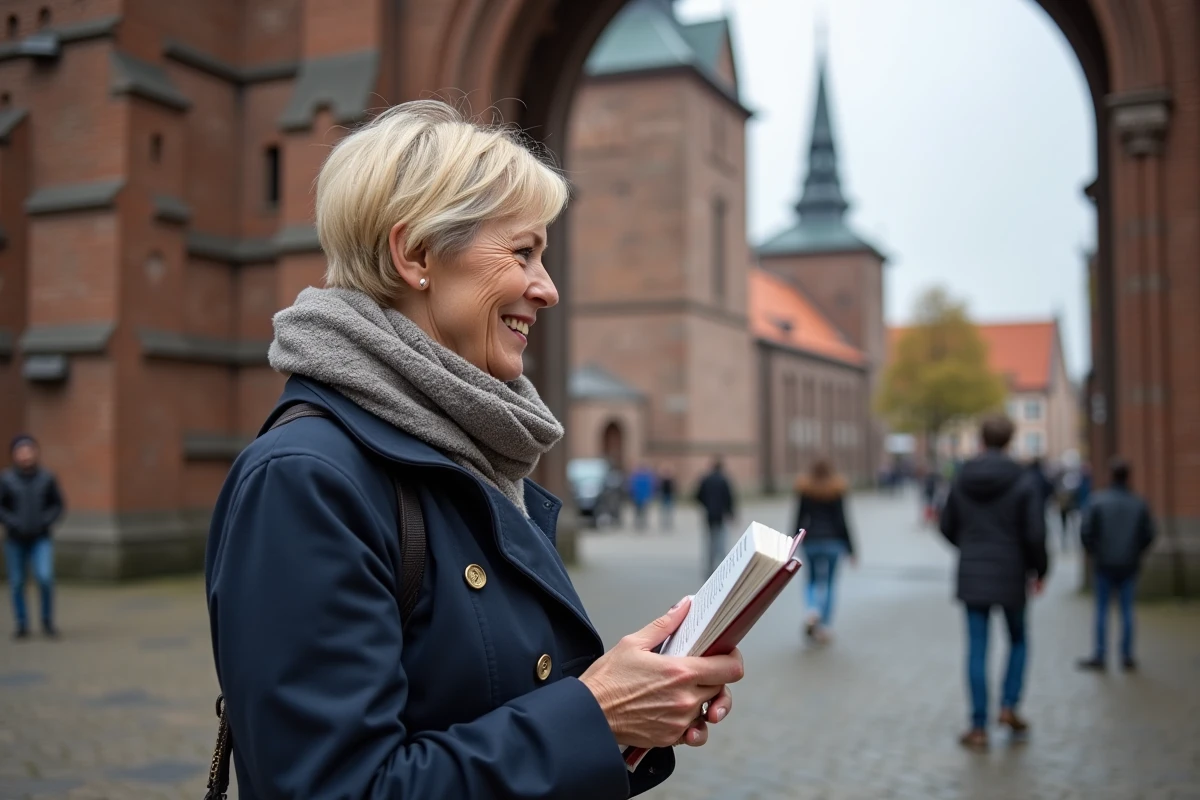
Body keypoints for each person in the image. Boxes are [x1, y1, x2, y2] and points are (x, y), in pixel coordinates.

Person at [205, 101, 744, 800]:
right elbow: (336, 788)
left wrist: (634, 706)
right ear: (417, 255)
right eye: (522, 252)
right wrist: (596, 715)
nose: (547, 289)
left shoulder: (473, 450)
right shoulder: (305, 480)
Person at [940, 414, 1047, 752]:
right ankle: (1009, 705)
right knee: (1017, 639)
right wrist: (1039, 570)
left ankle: (977, 725)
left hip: (972, 573)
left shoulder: (962, 477)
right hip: (1012, 573)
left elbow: (945, 524)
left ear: (982, 440)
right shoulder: (1024, 480)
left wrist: (968, 548)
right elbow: (1035, 532)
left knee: (977, 647)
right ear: (1011, 440)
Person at [1077, 457, 1155, 672]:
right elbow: (1148, 534)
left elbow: (1086, 532)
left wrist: (1095, 552)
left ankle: (1100, 655)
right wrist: (1135, 552)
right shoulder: (1138, 502)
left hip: (1104, 563)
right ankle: (1127, 655)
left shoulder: (1097, 500)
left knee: (1102, 609)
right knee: (1127, 609)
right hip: (1129, 563)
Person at [0, 435, 64, 639]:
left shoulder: (47, 477)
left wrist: (46, 521)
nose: (25, 454)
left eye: (29, 449)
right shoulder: (6, 479)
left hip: (40, 538)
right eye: (21, 450)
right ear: (14, 454)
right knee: (17, 582)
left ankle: (47, 621)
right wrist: (12, 522)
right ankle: (22, 624)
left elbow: (58, 504)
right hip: (14, 539)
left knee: (45, 578)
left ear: (35, 452)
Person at [792, 457, 856, 644]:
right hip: (833, 542)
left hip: (811, 541)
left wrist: (790, 543)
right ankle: (825, 625)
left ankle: (812, 610)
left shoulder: (805, 489)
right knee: (828, 582)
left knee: (811, 579)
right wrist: (851, 549)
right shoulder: (836, 489)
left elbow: (798, 518)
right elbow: (843, 521)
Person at [695, 457, 736, 576]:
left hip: (709, 514)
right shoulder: (724, 480)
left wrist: (706, 505)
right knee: (721, 540)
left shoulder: (705, 479)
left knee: (710, 540)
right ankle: (722, 566)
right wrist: (731, 513)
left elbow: (698, 496)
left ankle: (710, 565)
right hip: (721, 514)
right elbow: (729, 498)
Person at [628, 464, 656, 532]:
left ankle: (638, 523)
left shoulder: (636, 477)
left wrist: (631, 495)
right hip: (643, 497)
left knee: (638, 511)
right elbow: (652, 488)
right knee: (642, 511)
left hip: (638, 497)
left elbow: (631, 488)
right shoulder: (647, 478)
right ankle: (642, 523)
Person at [658, 466, 676, 531]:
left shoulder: (671, 480)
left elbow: (674, 488)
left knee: (669, 509)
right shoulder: (662, 480)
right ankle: (664, 521)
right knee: (664, 509)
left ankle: (668, 521)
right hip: (664, 496)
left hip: (669, 496)